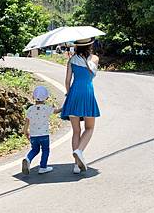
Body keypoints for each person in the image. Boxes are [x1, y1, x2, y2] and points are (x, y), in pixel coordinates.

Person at [60, 37, 100, 173]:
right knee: (89, 128)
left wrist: (68, 94)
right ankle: (79, 151)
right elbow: (92, 76)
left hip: (74, 93)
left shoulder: (71, 60)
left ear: (76, 46)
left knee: (76, 131)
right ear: (90, 45)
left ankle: (76, 165)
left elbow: (67, 81)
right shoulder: (95, 59)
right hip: (87, 93)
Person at [22, 86, 61, 175]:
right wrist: (64, 107)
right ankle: (43, 167)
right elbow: (56, 111)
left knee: (34, 150)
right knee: (45, 150)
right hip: (44, 135)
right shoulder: (46, 108)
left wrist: (25, 132)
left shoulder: (30, 109)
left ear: (33, 97)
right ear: (46, 97)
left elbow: (26, 122)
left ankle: (28, 159)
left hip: (33, 135)